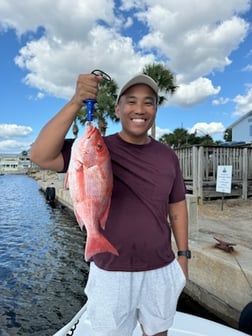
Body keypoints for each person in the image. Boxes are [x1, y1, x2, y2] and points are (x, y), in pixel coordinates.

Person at [30, 72, 190, 336]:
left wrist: (183, 255)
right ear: (117, 109)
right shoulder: (96, 146)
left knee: (159, 332)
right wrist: (76, 102)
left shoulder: (168, 155)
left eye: (148, 102)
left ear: (155, 110)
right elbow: (39, 155)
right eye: (131, 101)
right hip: (110, 270)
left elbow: (177, 207)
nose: (139, 109)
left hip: (161, 266)